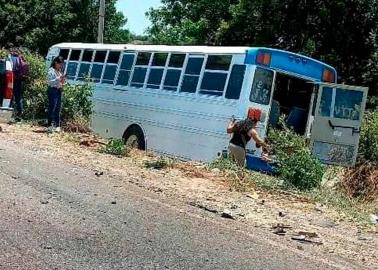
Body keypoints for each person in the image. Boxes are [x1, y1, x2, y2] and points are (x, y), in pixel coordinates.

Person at [47, 56, 65, 132]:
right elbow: (50, 82)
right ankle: (50, 125)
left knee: (58, 108)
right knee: (52, 108)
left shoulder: (59, 71)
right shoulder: (51, 70)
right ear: (55, 63)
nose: (61, 66)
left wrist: (63, 81)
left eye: (62, 64)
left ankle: (57, 125)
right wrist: (59, 78)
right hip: (52, 90)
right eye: (60, 64)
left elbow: (61, 81)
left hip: (58, 90)